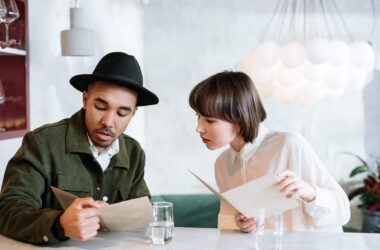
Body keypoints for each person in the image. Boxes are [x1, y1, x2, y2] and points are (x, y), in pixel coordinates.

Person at [0, 52, 159, 243]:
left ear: (133, 113)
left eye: (122, 113)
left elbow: (141, 212)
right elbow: (8, 211)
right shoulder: (41, 143)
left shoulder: (134, 153)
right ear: (85, 100)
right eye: (100, 107)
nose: (108, 122)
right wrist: (58, 224)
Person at [189, 71, 350, 233]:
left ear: (238, 118)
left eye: (209, 120)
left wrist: (310, 192)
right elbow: (227, 228)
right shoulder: (222, 164)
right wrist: (242, 225)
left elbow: (343, 210)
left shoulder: (289, 145)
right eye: (198, 116)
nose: (199, 128)